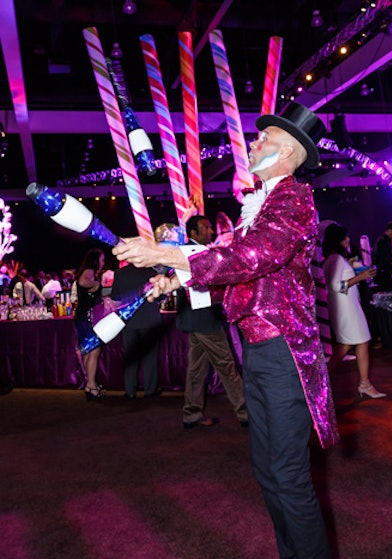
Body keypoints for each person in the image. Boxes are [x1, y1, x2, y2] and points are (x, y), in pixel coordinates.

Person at [112, 102, 339, 558]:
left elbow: (251, 257)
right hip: (258, 350)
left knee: (288, 476)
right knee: (268, 470)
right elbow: (227, 262)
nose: (255, 141)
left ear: (288, 151)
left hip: (285, 353)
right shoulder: (258, 205)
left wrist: (169, 256)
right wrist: (173, 277)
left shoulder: (294, 199)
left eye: (265, 137)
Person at [176, 215, 248, 429]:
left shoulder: (196, 251)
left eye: (209, 227)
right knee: (227, 366)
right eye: (205, 228)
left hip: (197, 319)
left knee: (197, 369)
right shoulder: (190, 252)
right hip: (204, 319)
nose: (211, 231)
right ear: (192, 234)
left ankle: (192, 413)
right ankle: (246, 413)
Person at [322, 223, 386, 399]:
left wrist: (358, 273)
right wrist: (360, 277)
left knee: (346, 345)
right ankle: (364, 384)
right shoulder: (335, 259)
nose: (349, 240)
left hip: (346, 306)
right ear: (339, 240)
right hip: (346, 308)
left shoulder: (333, 258)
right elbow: (335, 285)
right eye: (346, 237)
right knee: (361, 341)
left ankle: (322, 380)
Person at [110, 261, 162, 400]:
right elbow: (160, 295)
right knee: (149, 357)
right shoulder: (151, 272)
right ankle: (150, 390)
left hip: (128, 320)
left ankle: (130, 390)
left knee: (131, 356)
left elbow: (115, 296)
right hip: (149, 319)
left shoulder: (119, 274)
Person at [74, 248, 106, 401]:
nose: (103, 263)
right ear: (95, 260)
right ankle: (91, 385)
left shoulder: (88, 271)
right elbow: (82, 282)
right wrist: (95, 284)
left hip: (83, 316)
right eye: (101, 259)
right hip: (87, 316)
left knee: (89, 350)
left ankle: (90, 384)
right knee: (94, 349)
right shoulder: (89, 271)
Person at [373, 221, 392, 291]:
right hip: (384, 277)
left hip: (386, 275)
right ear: (389, 231)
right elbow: (385, 262)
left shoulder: (386, 241)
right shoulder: (383, 242)